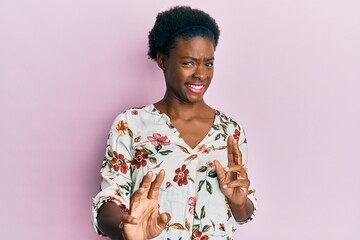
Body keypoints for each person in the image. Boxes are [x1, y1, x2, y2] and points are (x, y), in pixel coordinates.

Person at [92, 6, 257, 240]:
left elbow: (243, 212)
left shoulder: (230, 131)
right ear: (162, 60)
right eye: (189, 63)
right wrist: (126, 227)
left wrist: (238, 202)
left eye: (208, 64)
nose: (201, 74)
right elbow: (107, 204)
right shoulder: (131, 124)